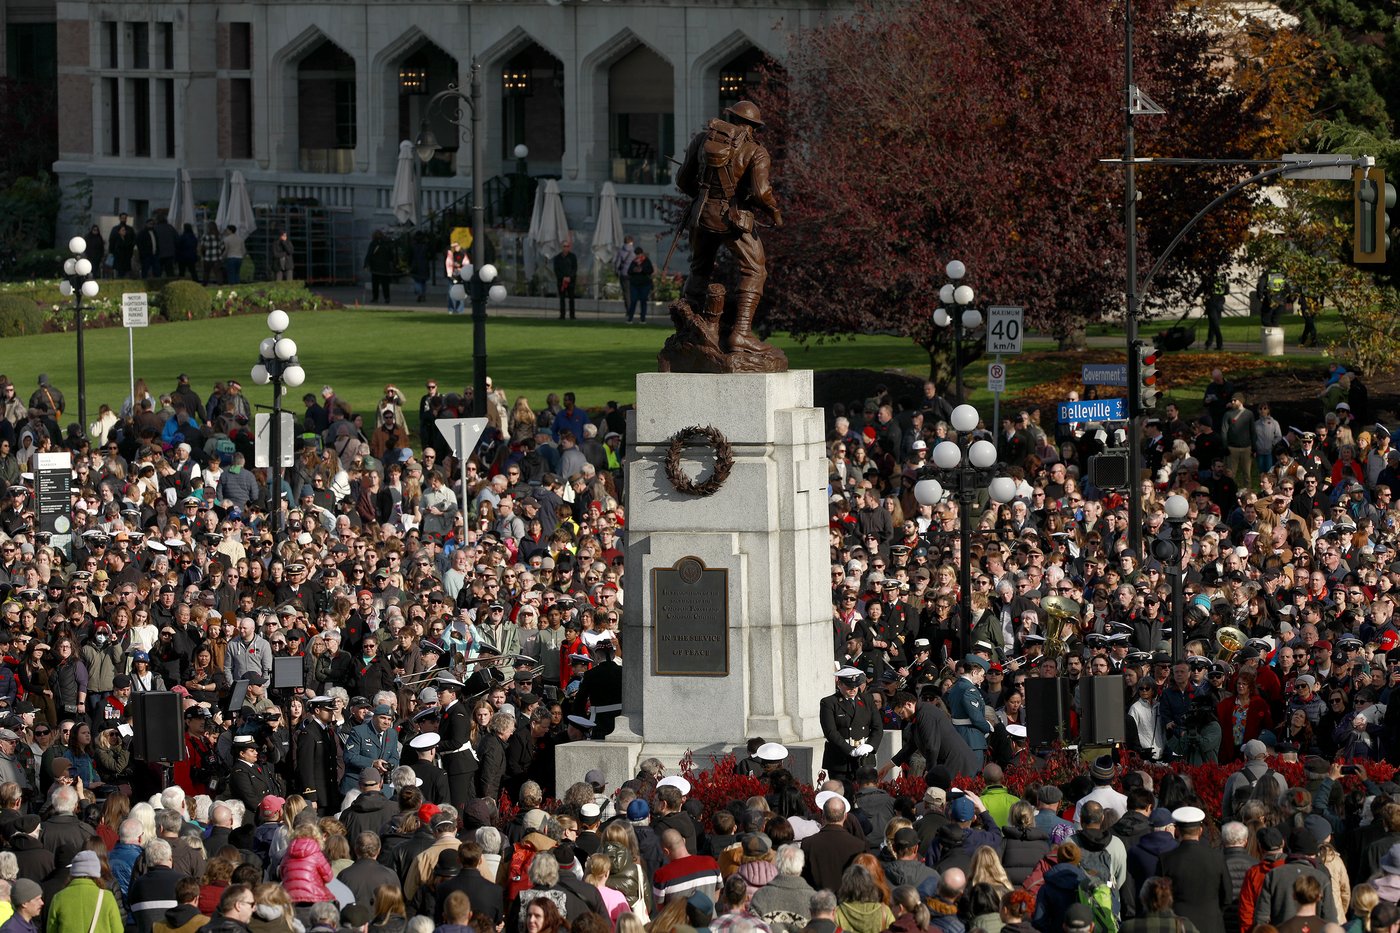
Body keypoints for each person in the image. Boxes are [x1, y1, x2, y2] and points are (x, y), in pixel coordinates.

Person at [675, 99, 782, 353]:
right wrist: (774, 212)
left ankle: (688, 328)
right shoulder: (756, 150)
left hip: (700, 216)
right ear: (752, 127)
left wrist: (704, 197)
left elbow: (682, 181)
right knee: (756, 270)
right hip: (732, 220)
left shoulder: (702, 140)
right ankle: (741, 334)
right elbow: (762, 192)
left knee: (699, 268)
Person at [818, 668, 881, 785]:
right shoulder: (829, 702)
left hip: (864, 756)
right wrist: (850, 750)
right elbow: (830, 732)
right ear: (839, 684)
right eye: (848, 686)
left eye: (855, 686)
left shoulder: (866, 699)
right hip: (840, 759)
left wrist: (871, 746)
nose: (852, 689)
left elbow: (877, 726)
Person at [365, 231, 396, 303]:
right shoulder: (387, 244)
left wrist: (366, 264)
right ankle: (387, 298)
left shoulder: (373, 244)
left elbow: (369, 254)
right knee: (385, 284)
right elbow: (391, 256)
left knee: (375, 284)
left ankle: (375, 298)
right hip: (385, 267)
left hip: (375, 268)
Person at [626, 249, 654, 324]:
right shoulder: (634, 261)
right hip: (634, 284)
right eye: (637, 254)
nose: (638, 256)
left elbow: (651, 270)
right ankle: (630, 318)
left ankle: (642, 319)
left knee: (643, 301)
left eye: (639, 254)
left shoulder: (646, 261)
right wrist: (634, 270)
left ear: (642, 253)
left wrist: (642, 270)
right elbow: (629, 271)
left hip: (645, 284)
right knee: (633, 301)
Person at [553, 241, 578, 321]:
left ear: (569, 247)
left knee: (571, 298)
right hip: (561, 281)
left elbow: (575, 268)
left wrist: (569, 277)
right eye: (564, 246)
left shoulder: (573, 257)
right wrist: (562, 277)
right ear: (562, 247)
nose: (565, 248)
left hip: (571, 281)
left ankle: (572, 315)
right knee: (562, 298)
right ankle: (562, 315)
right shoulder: (557, 258)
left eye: (567, 246)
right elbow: (556, 270)